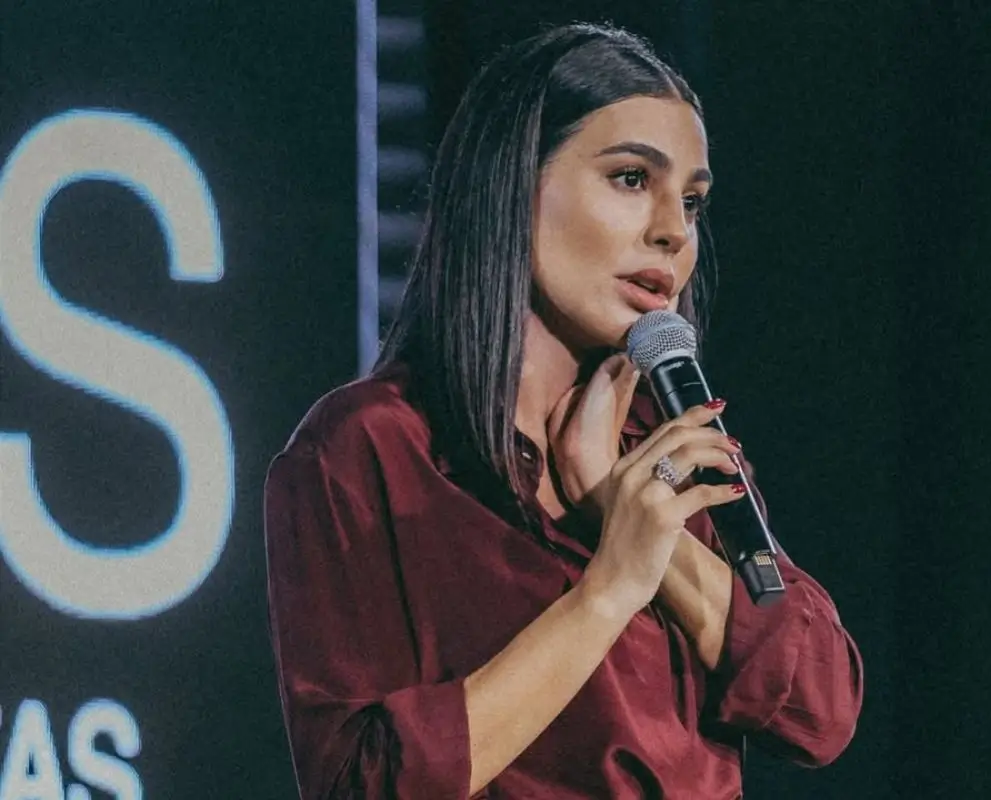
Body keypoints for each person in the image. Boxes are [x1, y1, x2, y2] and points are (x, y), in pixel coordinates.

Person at [264, 22, 862, 799]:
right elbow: (361, 783)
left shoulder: (669, 451)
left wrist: (645, 530)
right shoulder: (370, 450)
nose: (673, 231)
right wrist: (609, 586)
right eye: (629, 179)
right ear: (513, 184)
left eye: (691, 201)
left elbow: (821, 707)